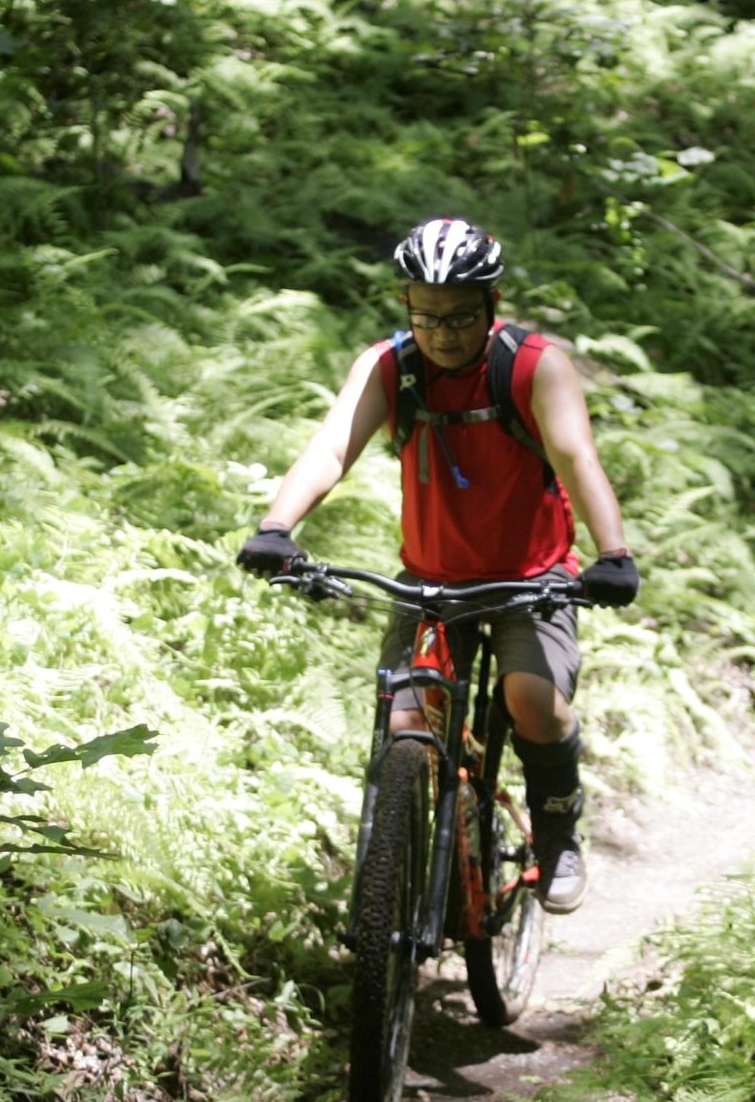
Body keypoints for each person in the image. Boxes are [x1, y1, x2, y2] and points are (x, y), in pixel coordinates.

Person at [236, 217, 638, 913]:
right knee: (406, 727)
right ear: (406, 304)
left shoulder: (533, 364)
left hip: (530, 577)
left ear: (491, 302)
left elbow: (577, 456)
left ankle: (556, 835)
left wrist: (614, 554)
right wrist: (277, 527)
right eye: (426, 315)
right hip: (428, 583)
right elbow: (333, 448)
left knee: (533, 703)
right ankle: (402, 864)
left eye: (459, 317)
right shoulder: (390, 365)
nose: (443, 332)